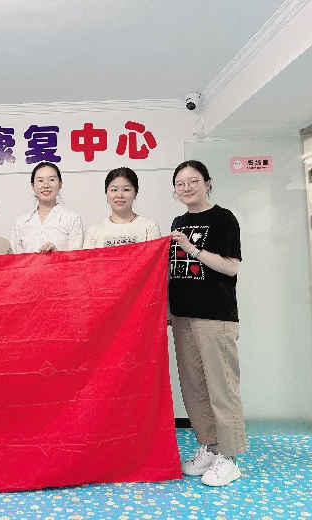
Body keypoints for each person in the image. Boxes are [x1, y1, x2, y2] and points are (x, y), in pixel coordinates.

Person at [168, 159, 246, 487]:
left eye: (193, 181)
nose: (187, 188)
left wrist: (192, 248)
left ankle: (229, 456)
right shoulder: (179, 221)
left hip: (214, 315)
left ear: (208, 183)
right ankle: (210, 447)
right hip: (182, 316)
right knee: (194, 387)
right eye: (180, 183)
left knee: (221, 387)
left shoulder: (223, 218)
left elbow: (231, 266)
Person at [11, 161, 83, 253]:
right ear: (32, 186)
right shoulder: (21, 222)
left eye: (52, 180)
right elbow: (16, 258)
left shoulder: (72, 219)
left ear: (60, 184)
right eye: (40, 181)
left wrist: (56, 254)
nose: (46, 185)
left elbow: (76, 258)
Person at [83, 167, 161, 248]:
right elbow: (87, 256)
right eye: (114, 190)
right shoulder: (95, 230)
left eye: (126, 190)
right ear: (106, 193)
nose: (120, 195)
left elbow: (156, 255)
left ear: (135, 193)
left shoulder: (149, 227)